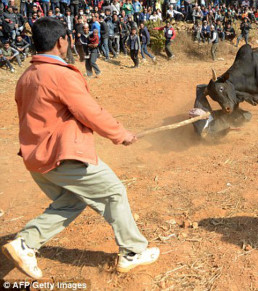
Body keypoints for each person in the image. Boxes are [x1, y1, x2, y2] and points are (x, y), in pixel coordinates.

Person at [2, 17, 160, 280]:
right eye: (67, 38)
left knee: (72, 201)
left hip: (36, 158)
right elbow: (90, 112)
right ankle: (133, 252)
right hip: (63, 156)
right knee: (114, 193)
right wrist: (121, 135)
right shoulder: (59, 75)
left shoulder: (27, 76)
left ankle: (26, 243)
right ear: (61, 42)